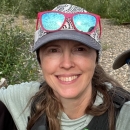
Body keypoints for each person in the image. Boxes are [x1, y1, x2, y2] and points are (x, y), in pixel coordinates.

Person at [0, 4, 130, 130]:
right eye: (53, 50)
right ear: (40, 60)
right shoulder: (23, 99)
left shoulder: (123, 115)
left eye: (80, 49)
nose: (67, 64)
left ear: (96, 59)